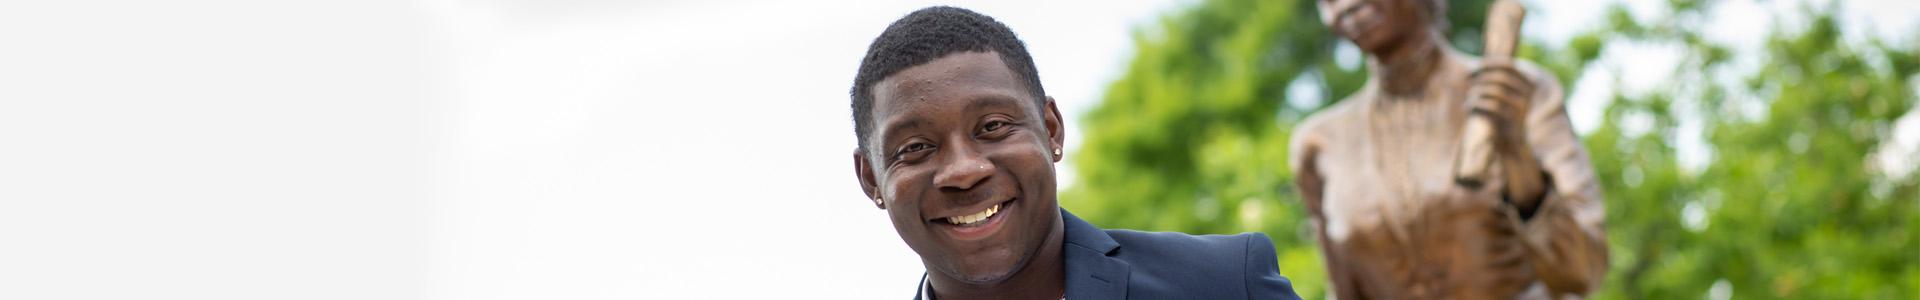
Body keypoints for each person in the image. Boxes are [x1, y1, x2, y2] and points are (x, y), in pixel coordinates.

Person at [849, 6, 1303, 300]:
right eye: (916, 148)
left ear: (1050, 130)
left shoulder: (1223, 284)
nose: (964, 171)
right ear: (872, 179)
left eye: (992, 127)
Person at [1287, 0, 1609, 298]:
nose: (1346, 6)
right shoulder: (1320, 142)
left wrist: (1515, 154)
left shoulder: (1518, 91)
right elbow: (1343, 291)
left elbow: (1581, 272)